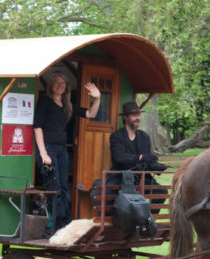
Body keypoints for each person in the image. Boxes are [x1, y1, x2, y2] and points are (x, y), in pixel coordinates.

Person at [34, 71, 101, 231]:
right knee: (55, 189)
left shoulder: (67, 105)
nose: (60, 85)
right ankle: (58, 228)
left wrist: (97, 98)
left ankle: (64, 226)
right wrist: (43, 153)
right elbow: (37, 127)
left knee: (64, 189)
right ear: (51, 85)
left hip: (62, 150)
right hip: (48, 149)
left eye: (63, 83)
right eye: (57, 82)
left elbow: (90, 113)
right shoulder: (45, 101)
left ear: (66, 87)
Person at [109, 101, 167, 212]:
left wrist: (156, 167)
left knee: (161, 192)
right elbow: (119, 157)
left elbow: (147, 161)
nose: (138, 118)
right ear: (125, 117)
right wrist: (140, 157)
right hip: (122, 177)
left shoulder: (144, 137)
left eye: (139, 115)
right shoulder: (116, 136)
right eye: (134, 115)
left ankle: (148, 218)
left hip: (141, 178)